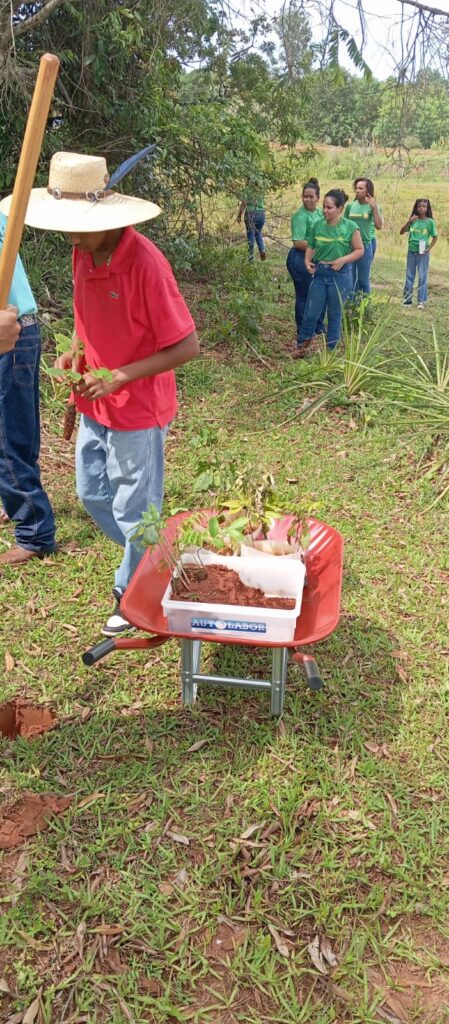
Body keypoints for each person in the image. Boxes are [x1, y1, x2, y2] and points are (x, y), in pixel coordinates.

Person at [1, 151, 199, 633]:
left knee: (134, 509)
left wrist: (121, 375)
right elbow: (85, 317)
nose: (71, 235)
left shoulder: (146, 264)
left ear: (109, 219)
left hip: (138, 407)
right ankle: (163, 557)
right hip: (95, 401)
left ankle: (132, 592)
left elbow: (187, 345)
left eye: (79, 225)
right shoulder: (83, 251)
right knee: (93, 495)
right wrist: (74, 351)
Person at [0, 215, 56, 565]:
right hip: (23, 330)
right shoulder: (5, 214)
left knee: (8, 437)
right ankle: (14, 501)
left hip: (10, 334)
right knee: (17, 430)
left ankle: (35, 532)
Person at [294, 189, 363, 357]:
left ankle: (331, 352)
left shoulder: (350, 227)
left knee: (334, 313)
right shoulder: (318, 225)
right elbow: (311, 245)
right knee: (311, 312)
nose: (325, 210)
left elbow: (360, 250)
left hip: (340, 274)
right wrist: (307, 261)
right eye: (324, 207)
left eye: (329, 208)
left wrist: (342, 260)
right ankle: (301, 347)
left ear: (340, 208)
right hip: (320, 273)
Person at [286, 177, 325, 351]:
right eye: (305, 196)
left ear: (318, 197)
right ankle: (302, 333)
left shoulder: (319, 214)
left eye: (311, 196)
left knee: (318, 295)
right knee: (304, 296)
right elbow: (298, 242)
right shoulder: (300, 216)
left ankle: (317, 328)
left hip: (314, 259)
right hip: (300, 259)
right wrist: (319, 252)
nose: (307, 199)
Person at [345, 178, 383, 295]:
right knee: (350, 278)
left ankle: (366, 308)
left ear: (368, 190)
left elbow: (379, 226)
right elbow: (344, 225)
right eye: (356, 188)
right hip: (351, 246)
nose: (357, 190)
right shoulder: (350, 206)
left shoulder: (373, 207)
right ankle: (350, 306)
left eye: (361, 188)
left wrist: (374, 208)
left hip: (365, 246)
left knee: (363, 280)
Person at [400, 198, 438, 308]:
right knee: (409, 275)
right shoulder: (413, 220)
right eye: (419, 206)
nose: (421, 208)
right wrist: (409, 221)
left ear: (427, 208)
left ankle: (421, 301)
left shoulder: (430, 222)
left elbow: (435, 237)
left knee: (422, 276)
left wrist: (429, 248)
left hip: (422, 252)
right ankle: (407, 300)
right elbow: (401, 232)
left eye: (424, 206)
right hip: (411, 250)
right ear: (416, 208)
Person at [237, 186, 266, 262]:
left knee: (250, 234)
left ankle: (250, 257)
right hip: (261, 214)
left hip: (250, 214)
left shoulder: (246, 189)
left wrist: (239, 215)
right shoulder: (260, 188)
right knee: (258, 233)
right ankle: (262, 250)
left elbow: (243, 204)